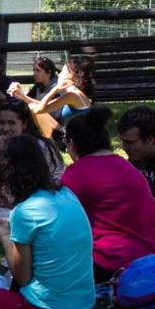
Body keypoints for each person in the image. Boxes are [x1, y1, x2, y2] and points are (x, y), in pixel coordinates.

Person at [0, 136, 96, 309]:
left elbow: (22, 277)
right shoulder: (66, 194)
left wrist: (3, 231)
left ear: (6, 171)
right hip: (84, 306)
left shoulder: (24, 212)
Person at [60, 107, 155, 281]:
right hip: (146, 256)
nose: (126, 148)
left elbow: (54, 218)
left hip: (113, 261)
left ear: (72, 144)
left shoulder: (78, 172)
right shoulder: (128, 166)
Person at [0, 98, 65, 200]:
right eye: (2, 122)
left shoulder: (38, 147)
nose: (5, 128)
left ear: (24, 124)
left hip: (47, 200)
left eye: (12, 123)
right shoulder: (2, 145)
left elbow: (25, 189)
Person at [10, 55, 95, 138]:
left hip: (78, 140)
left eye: (62, 72)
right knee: (33, 106)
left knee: (33, 107)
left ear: (70, 75)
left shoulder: (72, 95)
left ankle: (44, 144)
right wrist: (23, 96)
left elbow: (39, 110)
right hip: (73, 136)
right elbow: (45, 106)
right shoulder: (73, 93)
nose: (59, 75)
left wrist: (56, 88)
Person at [118, 105, 155, 198]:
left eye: (129, 143)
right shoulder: (136, 160)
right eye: (123, 142)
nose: (124, 148)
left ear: (150, 140)